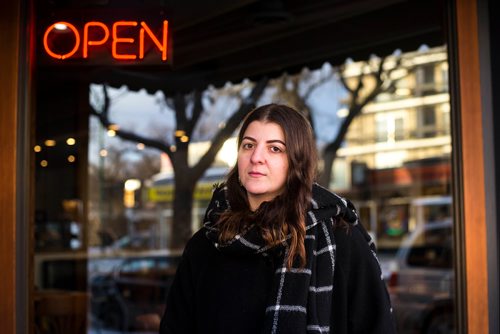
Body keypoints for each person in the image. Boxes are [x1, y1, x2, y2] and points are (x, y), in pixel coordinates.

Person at [160, 103, 396, 334]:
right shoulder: (207, 243)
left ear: (297, 161)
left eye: (275, 148)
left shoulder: (340, 239)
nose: (256, 157)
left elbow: (377, 325)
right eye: (248, 145)